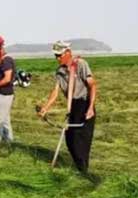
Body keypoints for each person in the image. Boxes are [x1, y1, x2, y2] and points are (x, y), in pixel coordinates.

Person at [38, 41, 98, 173]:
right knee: (70, 139)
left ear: (68, 53)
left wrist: (90, 108)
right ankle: (79, 168)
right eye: (56, 56)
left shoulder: (81, 65)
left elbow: (92, 85)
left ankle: (83, 171)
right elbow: (55, 91)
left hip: (85, 104)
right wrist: (45, 108)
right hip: (73, 107)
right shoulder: (60, 72)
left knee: (80, 141)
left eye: (60, 55)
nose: (57, 58)